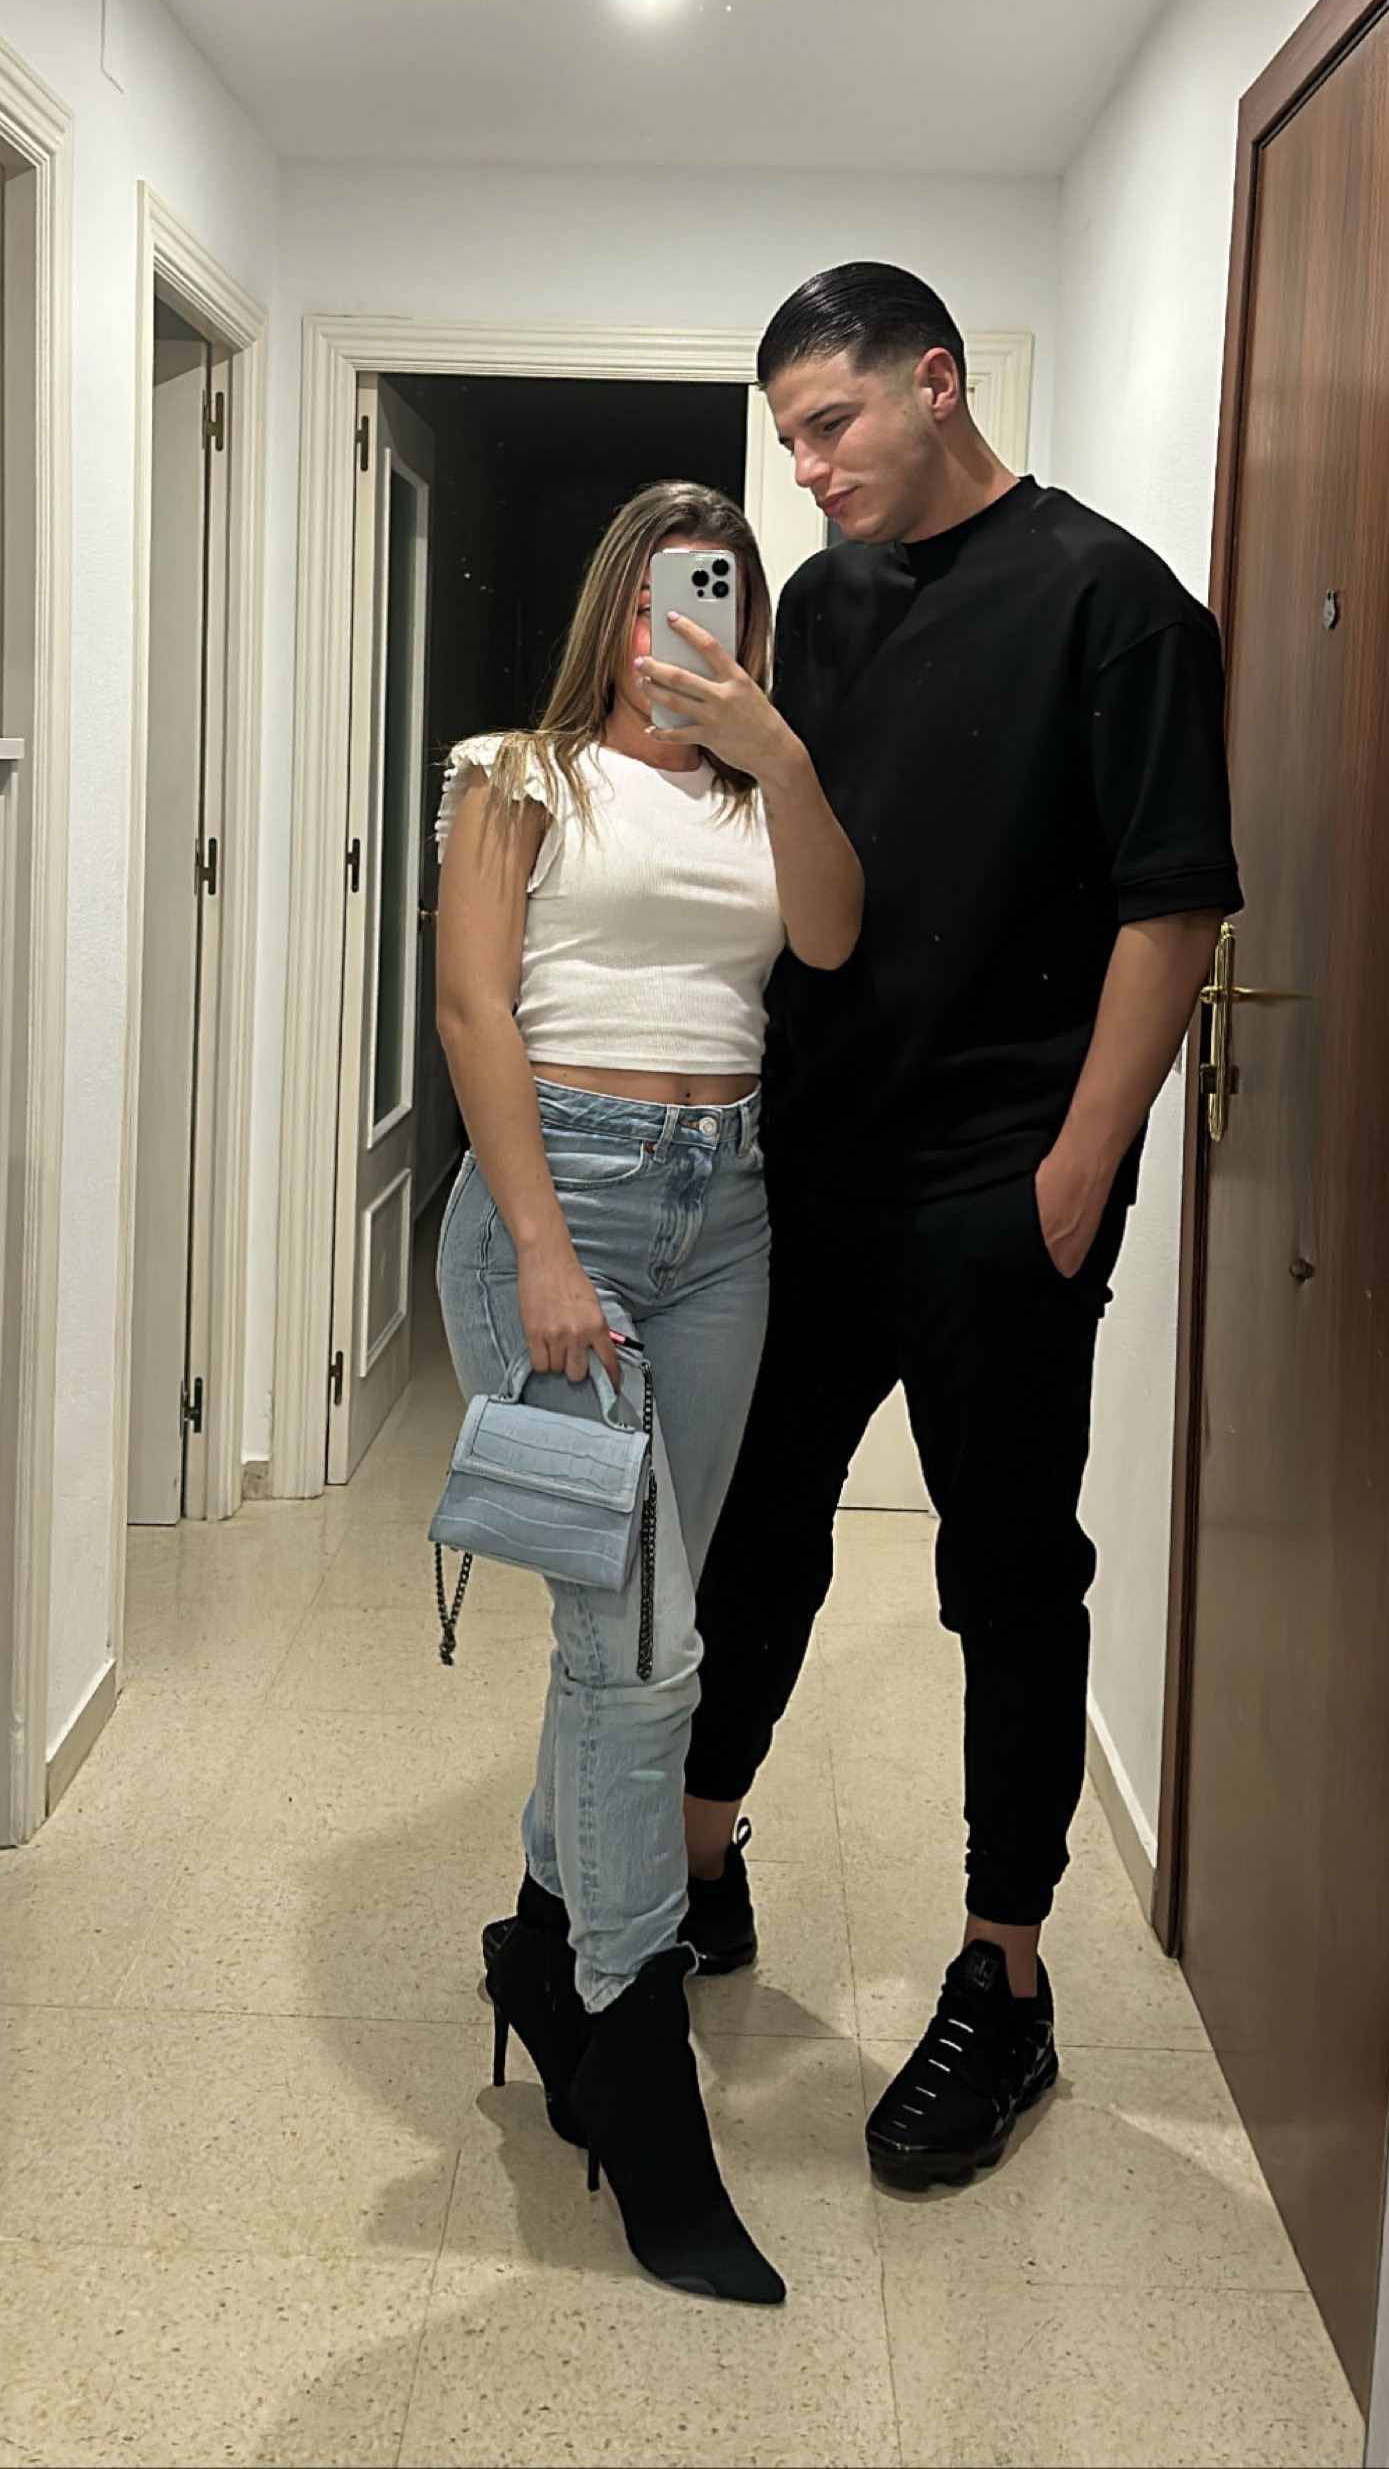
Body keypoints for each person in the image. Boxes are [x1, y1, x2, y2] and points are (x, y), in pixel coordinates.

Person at [680, 263, 1241, 2193]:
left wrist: (1080, 1166)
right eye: (788, 441)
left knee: (1007, 1576)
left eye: (831, 424)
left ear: (937, 381)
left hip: (1003, 1182)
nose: (808, 469)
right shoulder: (826, 601)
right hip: (816, 1164)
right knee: (756, 1529)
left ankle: (1006, 1982)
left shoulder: (1115, 601)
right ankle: (698, 1864)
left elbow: (1176, 903)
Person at [433, 478, 861, 2305]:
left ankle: (547, 1945)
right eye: (659, 598)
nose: (684, 626)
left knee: (617, 1634)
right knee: (647, 1646)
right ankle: (634, 2046)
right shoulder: (515, 776)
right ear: (612, 610)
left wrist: (782, 751)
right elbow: (475, 1014)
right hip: (555, 1219)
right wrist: (541, 1249)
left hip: (724, 1225)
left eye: (723, 596)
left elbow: (827, 941)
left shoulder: (766, 788)